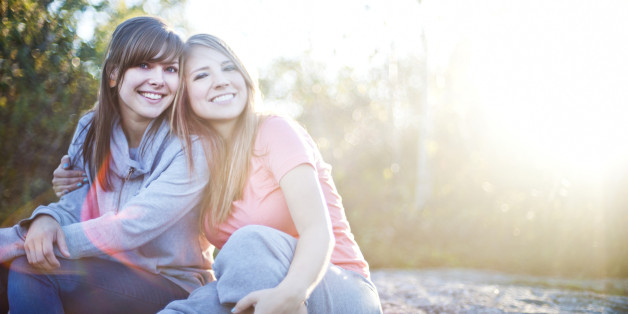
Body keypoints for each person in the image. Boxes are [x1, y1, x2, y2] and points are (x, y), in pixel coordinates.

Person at [53, 33, 383, 313]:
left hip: (334, 288)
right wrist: (77, 175)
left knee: (248, 242)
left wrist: (289, 295)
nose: (221, 80)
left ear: (244, 78)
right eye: (201, 75)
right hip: (250, 286)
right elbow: (139, 205)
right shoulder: (194, 160)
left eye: (229, 69)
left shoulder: (275, 132)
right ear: (183, 95)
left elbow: (317, 231)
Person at [0, 16, 213, 313]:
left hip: (169, 282)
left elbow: (133, 225)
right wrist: (45, 219)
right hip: (99, 266)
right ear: (113, 74)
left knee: (32, 267)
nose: (158, 79)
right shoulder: (92, 128)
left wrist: (27, 240)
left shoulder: (193, 148)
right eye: (144, 65)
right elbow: (75, 206)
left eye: (170, 69)